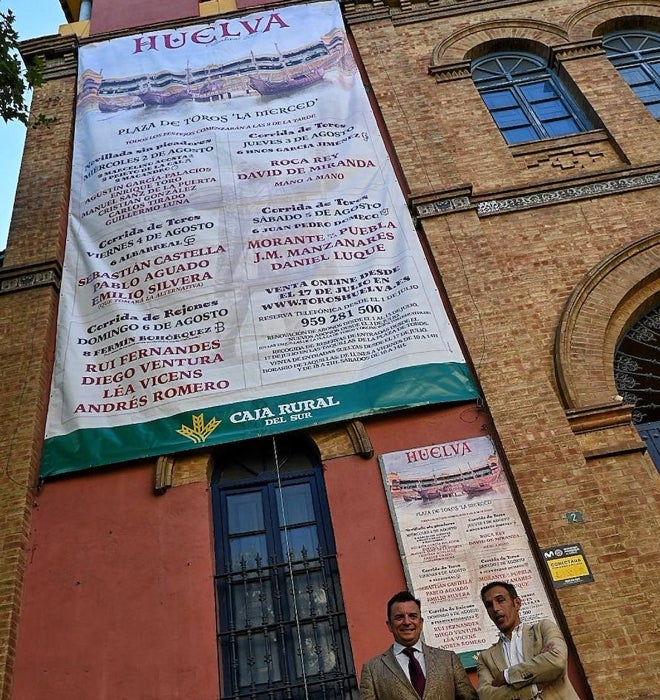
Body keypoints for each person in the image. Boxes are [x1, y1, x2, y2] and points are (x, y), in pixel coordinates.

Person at [359, 590, 478, 700]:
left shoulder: (448, 659)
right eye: (399, 617)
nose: (407, 622)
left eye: (412, 616)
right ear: (389, 625)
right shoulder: (372, 669)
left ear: (420, 623)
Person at [477, 581, 580, 700]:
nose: (495, 608)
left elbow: (556, 661)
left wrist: (506, 676)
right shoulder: (486, 657)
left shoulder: (542, 629)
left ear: (517, 603)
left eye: (501, 600)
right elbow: (486, 696)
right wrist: (533, 688)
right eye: (489, 605)